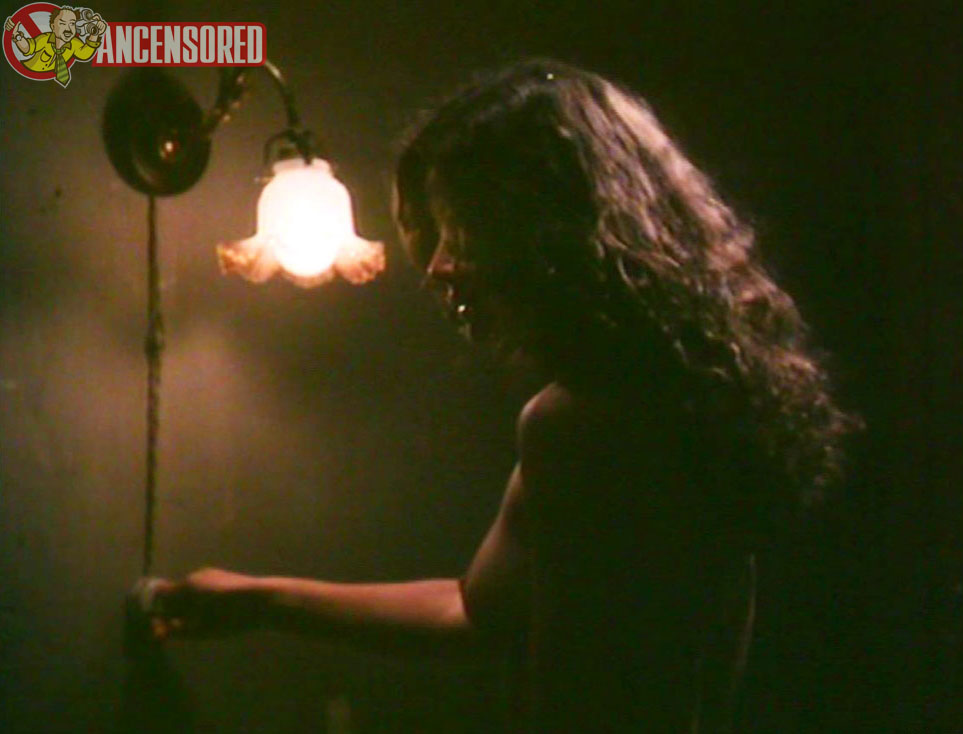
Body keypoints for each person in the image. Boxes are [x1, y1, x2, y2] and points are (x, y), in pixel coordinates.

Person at [152, 59, 858, 732]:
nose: (437, 268)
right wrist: (265, 600)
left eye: (464, 230)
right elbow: (476, 610)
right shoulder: (678, 395)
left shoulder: (584, 426)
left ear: (547, 229)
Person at [5, 6, 106, 87]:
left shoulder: (74, 43)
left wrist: (95, 33)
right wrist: (16, 35)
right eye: (62, 23)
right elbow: (27, 48)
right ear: (53, 27)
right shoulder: (45, 39)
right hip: (26, 79)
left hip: (52, 89)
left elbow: (85, 53)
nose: (68, 29)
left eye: (72, 24)